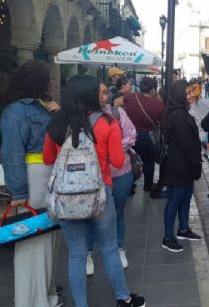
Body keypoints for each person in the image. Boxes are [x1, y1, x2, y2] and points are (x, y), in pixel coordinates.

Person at [43, 75, 145, 307]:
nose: (106, 95)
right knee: (109, 248)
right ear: (90, 95)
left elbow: (48, 158)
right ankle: (124, 298)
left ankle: (81, 305)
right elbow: (119, 162)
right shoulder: (107, 122)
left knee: (77, 254)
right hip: (100, 194)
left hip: (66, 198)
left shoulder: (56, 123)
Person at [1, 60, 62, 307]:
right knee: (31, 242)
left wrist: (60, 115)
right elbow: (12, 153)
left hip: (50, 176)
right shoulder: (16, 111)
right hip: (33, 177)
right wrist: (18, 191)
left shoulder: (46, 108)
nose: (54, 83)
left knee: (49, 240)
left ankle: (46, 294)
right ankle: (30, 301)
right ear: (38, 82)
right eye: (49, 78)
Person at [85, 83, 136, 276]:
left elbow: (131, 135)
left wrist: (114, 145)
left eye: (105, 93)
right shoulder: (81, 115)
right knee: (90, 215)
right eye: (98, 93)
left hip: (120, 171)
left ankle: (119, 248)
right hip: (92, 175)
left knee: (118, 212)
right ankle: (88, 253)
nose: (102, 97)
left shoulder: (116, 113)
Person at [161, 80, 203, 253]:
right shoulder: (178, 114)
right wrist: (197, 162)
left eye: (191, 92)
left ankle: (183, 229)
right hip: (178, 166)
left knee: (186, 198)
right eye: (187, 92)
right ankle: (168, 237)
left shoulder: (181, 112)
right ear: (179, 95)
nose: (191, 95)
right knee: (175, 200)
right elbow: (186, 143)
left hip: (185, 165)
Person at [117, 77, 164, 193]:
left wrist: (124, 116)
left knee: (129, 159)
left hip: (129, 135)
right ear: (153, 89)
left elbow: (116, 102)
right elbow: (162, 121)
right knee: (149, 161)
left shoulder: (132, 97)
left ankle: (129, 185)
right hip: (147, 137)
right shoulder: (158, 104)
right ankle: (148, 185)